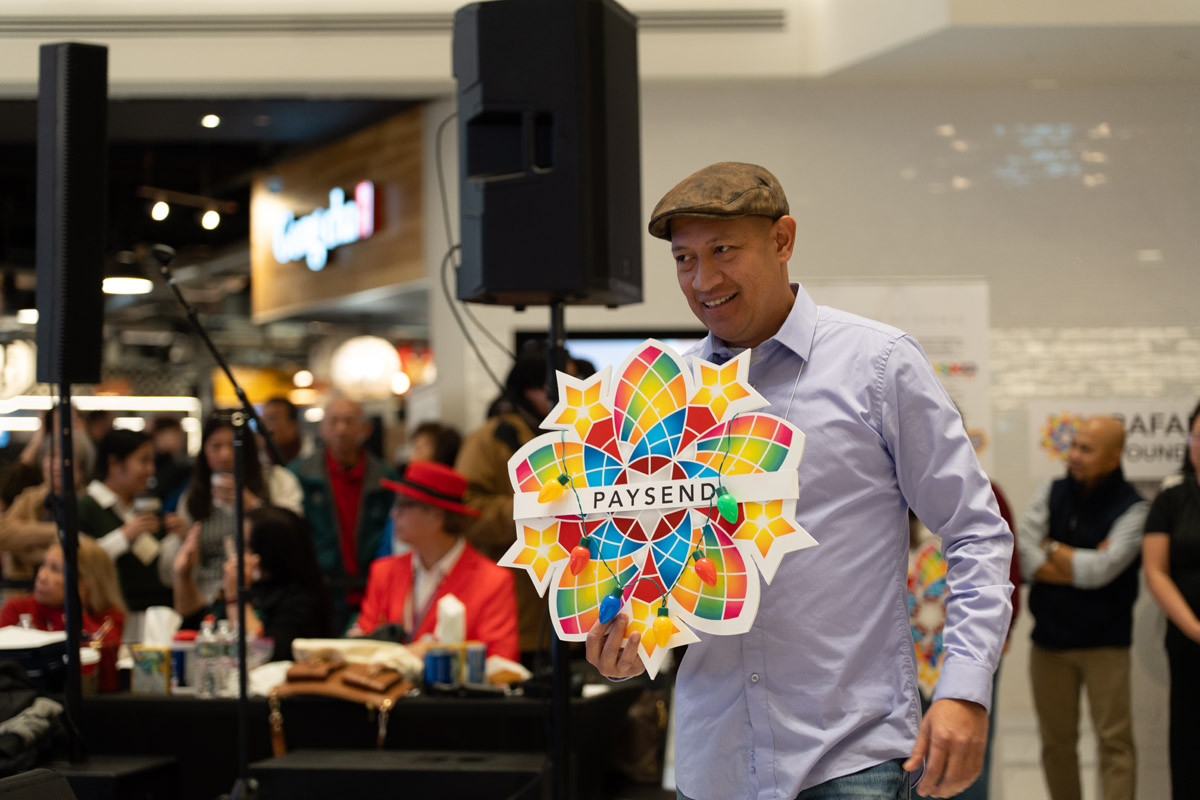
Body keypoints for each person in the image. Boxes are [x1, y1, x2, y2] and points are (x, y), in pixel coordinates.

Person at [585, 162, 1013, 800]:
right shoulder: (663, 397)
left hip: (852, 759)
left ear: (782, 240)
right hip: (715, 764)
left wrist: (964, 690)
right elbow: (644, 568)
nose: (703, 280)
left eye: (723, 250)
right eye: (684, 259)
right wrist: (625, 640)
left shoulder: (878, 365)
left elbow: (976, 532)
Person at [1017, 416, 1148, 800]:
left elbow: (1102, 571)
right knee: (1055, 744)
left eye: (1086, 449)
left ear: (1114, 456)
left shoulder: (1135, 509)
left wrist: (1050, 547)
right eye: (1073, 445)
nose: (1073, 455)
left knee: (1115, 743)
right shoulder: (1051, 491)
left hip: (1106, 646)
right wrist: (1077, 560)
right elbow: (1024, 556)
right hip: (1049, 645)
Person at [354, 461, 519, 662]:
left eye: (403, 504)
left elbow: (501, 662)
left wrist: (433, 653)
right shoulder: (383, 571)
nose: (393, 513)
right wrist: (406, 654)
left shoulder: (493, 581)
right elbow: (361, 647)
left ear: (436, 515)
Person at [456, 347, 558, 660]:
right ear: (530, 389)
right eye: (560, 382)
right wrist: (537, 510)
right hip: (518, 604)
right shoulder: (490, 440)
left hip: (573, 604)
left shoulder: (572, 436)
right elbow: (466, 511)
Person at [291, 395, 397, 632]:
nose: (341, 429)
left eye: (350, 421)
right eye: (333, 421)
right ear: (322, 428)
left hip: (372, 589)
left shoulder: (386, 479)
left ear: (366, 429)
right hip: (318, 590)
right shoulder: (299, 475)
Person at [170, 415, 302, 605]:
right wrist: (182, 539)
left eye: (234, 445)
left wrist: (253, 505)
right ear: (204, 450)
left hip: (268, 596)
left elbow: (295, 536)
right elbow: (176, 570)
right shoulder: (193, 497)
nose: (225, 454)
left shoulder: (277, 480)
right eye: (216, 446)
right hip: (208, 599)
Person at [173, 505, 331, 662]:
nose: (237, 554)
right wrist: (184, 575)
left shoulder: (301, 598)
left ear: (269, 551)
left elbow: (263, 654)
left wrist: (236, 599)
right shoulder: (249, 585)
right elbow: (198, 626)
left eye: (245, 546)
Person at [1142, 401, 1200, 800]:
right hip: (1188, 641)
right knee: (1190, 743)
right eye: (1198, 436)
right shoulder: (1172, 496)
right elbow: (1156, 571)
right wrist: (1196, 629)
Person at [76, 430, 186, 632]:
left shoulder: (148, 506)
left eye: (152, 461)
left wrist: (180, 537)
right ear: (114, 463)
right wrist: (124, 536)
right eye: (143, 461)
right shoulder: (85, 507)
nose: (151, 470)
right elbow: (82, 562)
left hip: (157, 615)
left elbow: (161, 564)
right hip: (108, 619)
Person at [0, 431, 95, 601]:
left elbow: (86, 551)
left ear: (82, 467)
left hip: (72, 599)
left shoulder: (90, 502)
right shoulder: (29, 498)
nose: (57, 464)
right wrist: (57, 531)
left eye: (66, 458)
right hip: (22, 595)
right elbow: (3, 533)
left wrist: (24, 547)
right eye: (51, 456)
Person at [0, 537, 126, 646]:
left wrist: (76, 610)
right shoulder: (17, 610)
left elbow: (105, 656)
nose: (41, 576)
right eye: (44, 564)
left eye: (55, 569)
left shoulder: (109, 617)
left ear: (85, 582)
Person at [147, 416, 192, 506]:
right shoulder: (149, 466)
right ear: (159, 435)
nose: (180, 441)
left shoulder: (181, 470)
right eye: (176, 435)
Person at [261, 397, 306, 466]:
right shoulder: (259, 458)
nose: (264, 425)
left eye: (272, 419)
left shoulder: (314, 458)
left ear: (293, 425)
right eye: (263, 419)